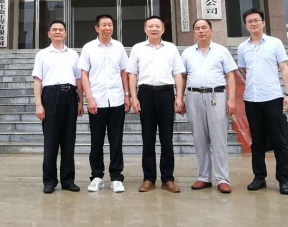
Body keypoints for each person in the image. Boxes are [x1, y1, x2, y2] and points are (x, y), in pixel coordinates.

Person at [237, 8, 288, 196]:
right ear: (246, 25)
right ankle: (259, 177)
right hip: (251, 99)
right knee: (257, 141)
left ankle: (283, 180)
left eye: (256, 20)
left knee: (279, 140)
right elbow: (244, 71)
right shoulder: (242, 47)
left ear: (263, 22)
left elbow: (283, 68)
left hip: (272, 97)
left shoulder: (275, 43)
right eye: (249, 21)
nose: (253, 24)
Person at [126, 15, 185, 193]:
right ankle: (149, 178)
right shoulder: (137, 48)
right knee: (148, 138)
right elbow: (132, 74)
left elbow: (178, 73)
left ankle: (168, 179)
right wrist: (134, 97)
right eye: (150, 26)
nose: (154, 29)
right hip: (145, 94)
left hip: (166, 93)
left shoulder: (171, 48)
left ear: (163, 29)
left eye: (157, 26)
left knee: (167, 138)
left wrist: (179, 97)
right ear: (145, 29)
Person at [181, 19, 237, 194]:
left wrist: (231, 99)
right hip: (193, 96)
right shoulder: (187, 53)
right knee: (199, 138)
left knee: (219, 138)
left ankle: (223, 179)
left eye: (204, 28)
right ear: (193, 33)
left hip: (216, 96)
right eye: (197, 28)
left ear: (211, 31)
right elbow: (182, 77)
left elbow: (230, 76)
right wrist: (180, 98)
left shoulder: (222, 51)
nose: (201, 31)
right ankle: (204, 177)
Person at [79, 14, 130, 193]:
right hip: (97, 101)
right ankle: (97, 176)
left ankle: (116, 177)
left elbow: (124, 72)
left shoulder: (119, 47)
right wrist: (89, 98)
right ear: (97, 28)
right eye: (104, 25)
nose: (107, 28)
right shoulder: (88, 48)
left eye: (110, 25)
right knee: (96, 141)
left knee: (116, 140)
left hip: (116, 100)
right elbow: (84, 74)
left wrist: (127, 95)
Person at [32, 20, 84, 194]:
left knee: (69, 140)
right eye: (54, 29)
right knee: (51, 141)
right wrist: (39, 104)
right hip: (50, 96)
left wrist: (80, 101)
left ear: (65, 33)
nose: (58, 32)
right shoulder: (42, 55)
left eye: (61, 29)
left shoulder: (73, 55)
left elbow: (78, 79)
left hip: (70, 96)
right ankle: (49, 181)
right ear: (49, 33)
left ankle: (68, 180)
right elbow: (37, 80)